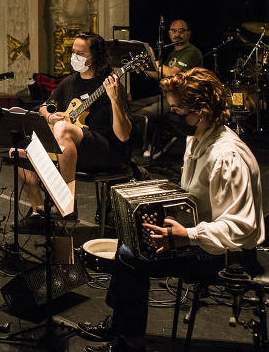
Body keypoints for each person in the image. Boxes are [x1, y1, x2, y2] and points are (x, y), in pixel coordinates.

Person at [80, 68, 264, 352]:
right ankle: (120, 326)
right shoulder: (198, 136)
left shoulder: (227, 156)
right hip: (199, 238)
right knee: (129, 239)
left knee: (132, 255)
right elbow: (192, 197)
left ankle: (129, 342)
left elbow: (242, 228)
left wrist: (187, 235)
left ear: (201, 111)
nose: (173, 115)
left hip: (227, 256)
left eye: (177, 109)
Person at [11, 32, 131, 226]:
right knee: (19, 152)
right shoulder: (70, 82)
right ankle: (38, 212)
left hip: (105, 150)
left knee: (64, 130)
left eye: (80, 53)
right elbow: (44, 107)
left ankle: (66, 204)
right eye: (73, 52)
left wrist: (115, 100)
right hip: (71, 149)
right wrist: (50, 116)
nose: (74, 57)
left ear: (95, 56)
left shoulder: (110, 83)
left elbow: (123, 135)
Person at [132, 19, 204, 157]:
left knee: (146, 112)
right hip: (167, 96)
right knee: (131, 106)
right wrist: (142, 66)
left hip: (182, 100)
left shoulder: (192, 52)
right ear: (169, 33)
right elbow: (159, 73)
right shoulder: (172, 53)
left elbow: (173, 73)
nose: (177, 34)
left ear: (189, 34)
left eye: (181, 31)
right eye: (173, 31)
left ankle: (158, 143)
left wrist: (150, 60)